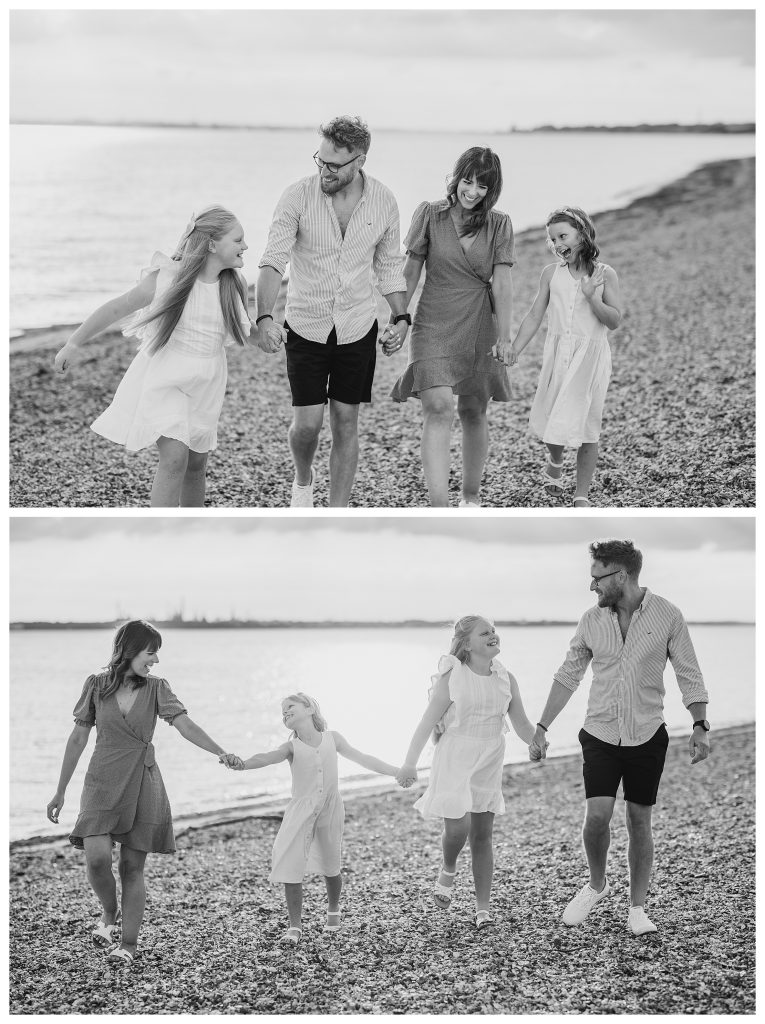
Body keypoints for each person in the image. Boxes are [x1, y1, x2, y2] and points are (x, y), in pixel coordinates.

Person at [528, 540, 711, 936]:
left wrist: (700, 724)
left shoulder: (667, 615)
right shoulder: (591, 620)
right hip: (600, 732)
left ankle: (637, 908)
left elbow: (688, 671)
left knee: (638, 820)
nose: (591, 586)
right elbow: (567, 675)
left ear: (621, 576)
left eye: (597, 578)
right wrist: (541, 728)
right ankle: (596, 884)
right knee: (597, 817)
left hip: (648, 734)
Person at [46, 620, 242, 967]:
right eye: (151, 652)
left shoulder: (157, 688)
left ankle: (128, 944)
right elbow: (78, 738)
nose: (155, 660)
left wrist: (220, 752)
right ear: (130, 649)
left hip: (142, 779)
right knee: (96, 858)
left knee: (132, 868)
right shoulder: (96, 685)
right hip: (101, 780)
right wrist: (60, 790)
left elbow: (185, 725)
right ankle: (109, 912)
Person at [256, 114, 408, 508]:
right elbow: (273, 260)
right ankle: (303, 482)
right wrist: (265, 316)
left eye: (334, 164)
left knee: (346, 420)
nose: (324, 169)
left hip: (357, 327)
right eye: (320, 160)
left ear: (359, 161)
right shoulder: (297, 196)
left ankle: (337, 513)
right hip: (306, 325)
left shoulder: (384, 201)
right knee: (307, 426)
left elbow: (389, 266)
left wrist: (401, 317)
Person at [54, 206, 252, 507]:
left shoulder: (231, 285)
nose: (245, 246)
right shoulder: (168, 279)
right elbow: (119, 307)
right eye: (238, 240)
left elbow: (248, 332)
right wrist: (74, 343)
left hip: (208, 384)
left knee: (196, 465)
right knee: (175, 457)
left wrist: (275, 331)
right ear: (212, 244)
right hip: (167, 377)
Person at [390, 148, 515, 507]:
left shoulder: (500, 224)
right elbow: (411, 269)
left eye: (482, 185)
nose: (472, 191)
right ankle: (438, 506)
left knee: (473, 411)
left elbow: (503, 283)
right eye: (468, 180)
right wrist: (398, 318)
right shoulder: (430, 214)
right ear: (456, 177)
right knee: (439, 407)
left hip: (479, 320)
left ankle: (471, 497)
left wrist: (505, 337)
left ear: (492, 190)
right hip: (432, 321)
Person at [396, 616, 537, 928]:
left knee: (483, 835)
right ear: (467, 643)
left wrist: (537, 741)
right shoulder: (454, 676)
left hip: (489, 757)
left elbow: (522, 724)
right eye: (484, 632)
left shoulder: (505, 678)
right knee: (459, 828)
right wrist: (409, 763)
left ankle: (482, 910)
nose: (493, 635)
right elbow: (425, 722)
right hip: (455, 756)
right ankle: (448, 867)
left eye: (494, 631)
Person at [232, 692, 397, 945]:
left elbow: (363, 758)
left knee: (331, 865)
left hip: (330, 809)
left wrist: (396, 772)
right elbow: (265, 758)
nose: (285, 712)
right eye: (282, 711)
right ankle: (295, 926)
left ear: (309, 708)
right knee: (291, 865)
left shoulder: (333, 739)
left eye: (290, 706)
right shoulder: (290, 747)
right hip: (301, 812)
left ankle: (333, 910)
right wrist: (242, 764)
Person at [498, 207, 621, 507]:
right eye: (552, 239)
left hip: (590, 360)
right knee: (553, 418)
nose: (557, 244)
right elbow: (535, 314)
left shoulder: (605, 274)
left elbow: (614, 320)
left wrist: (592, 296)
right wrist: (515, 347)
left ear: (582, 234)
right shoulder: (551, 274)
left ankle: (581, 494)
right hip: (558, 355)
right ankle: (555, 460)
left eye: (563, 235)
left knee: (588, 427)